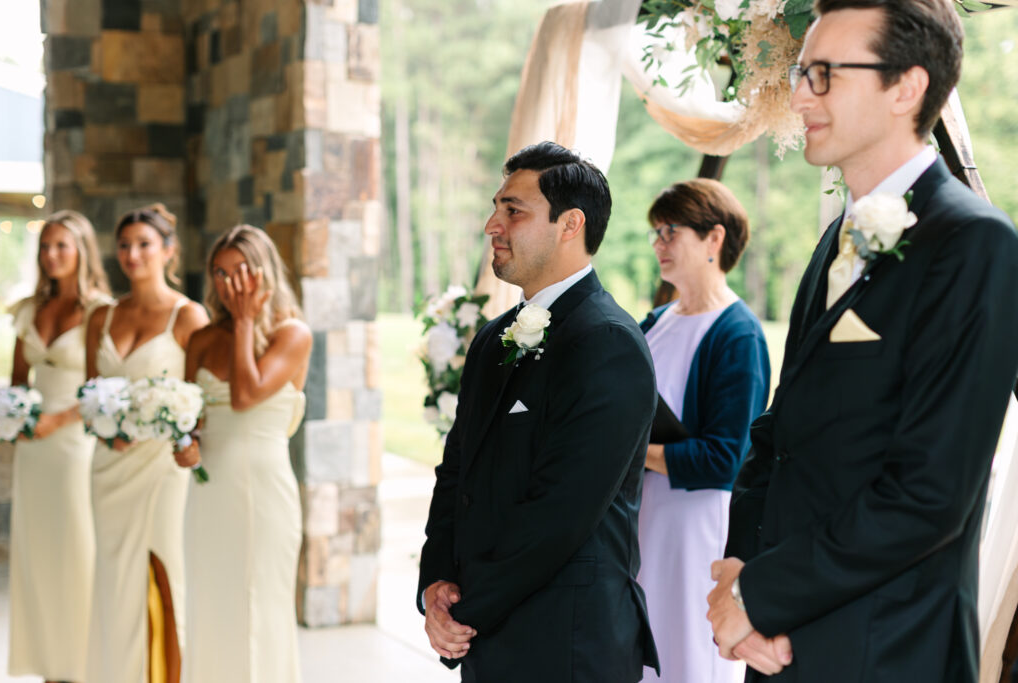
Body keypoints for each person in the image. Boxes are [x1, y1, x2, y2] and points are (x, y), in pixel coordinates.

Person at [707, 1, 1018, 681]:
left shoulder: (975, 245)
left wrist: (759, 595)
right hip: (785, 646)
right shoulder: (833, 240)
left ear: (905, 86)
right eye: (800, 71)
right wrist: (738, 577)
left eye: (824, 74)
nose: (797, 95)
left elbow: (929, 495)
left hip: (885, 649)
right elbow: (779, 434)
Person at [417, 141, 659, 682]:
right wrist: (435, 583)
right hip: (487, 637)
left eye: (513, 211)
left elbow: (562, 512)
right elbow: (456, 472)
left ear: (570, 224)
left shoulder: (608, 342)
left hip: (567, 642)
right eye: (496, 207)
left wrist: (465, 613)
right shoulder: (491, 340)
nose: (491, 226)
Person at [638, 180, 769, 683]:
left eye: (672, 230)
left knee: (687, 654)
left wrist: (633, 452)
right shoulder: (654, 322)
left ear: (715, 238)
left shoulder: (738, 333)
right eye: (656, 232)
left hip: (695, 527)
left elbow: (726, 458)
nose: (659, 244)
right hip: (643, 518)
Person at [174, 225, 311, 682]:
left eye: (241, 272)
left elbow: (245, 396)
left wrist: (247, 320)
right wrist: (186, 447)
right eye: (220, 273)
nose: (231, 284)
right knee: (209, 604)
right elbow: (189, 419)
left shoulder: (292, 334)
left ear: (264, 273)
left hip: (262, 494)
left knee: (258, 608)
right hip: (207, 494)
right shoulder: (201, 339)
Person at [84, 204, 209, 683]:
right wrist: (105, 428)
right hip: (108, 469)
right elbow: (88, 392)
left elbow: (202, 402)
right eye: (124, 245)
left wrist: (186, 440)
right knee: (114, 584)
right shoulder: (103, 316)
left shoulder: (187, 315)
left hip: (161, 471)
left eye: (144, 244)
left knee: (163, 576)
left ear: (168, 250)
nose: (132, 254)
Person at [7, 211, 111, 683]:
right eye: (46, 246)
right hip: (32, 451)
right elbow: (15, 384)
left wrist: (59, 419)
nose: (51, 255)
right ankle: (48, 665)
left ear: (82, 250)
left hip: (74, 446)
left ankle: (83, 666)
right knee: (37, 555)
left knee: (76, 552)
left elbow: (101, 387)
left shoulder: (98, 311)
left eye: (61, 246)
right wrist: (18, 418)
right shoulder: (28, 310)